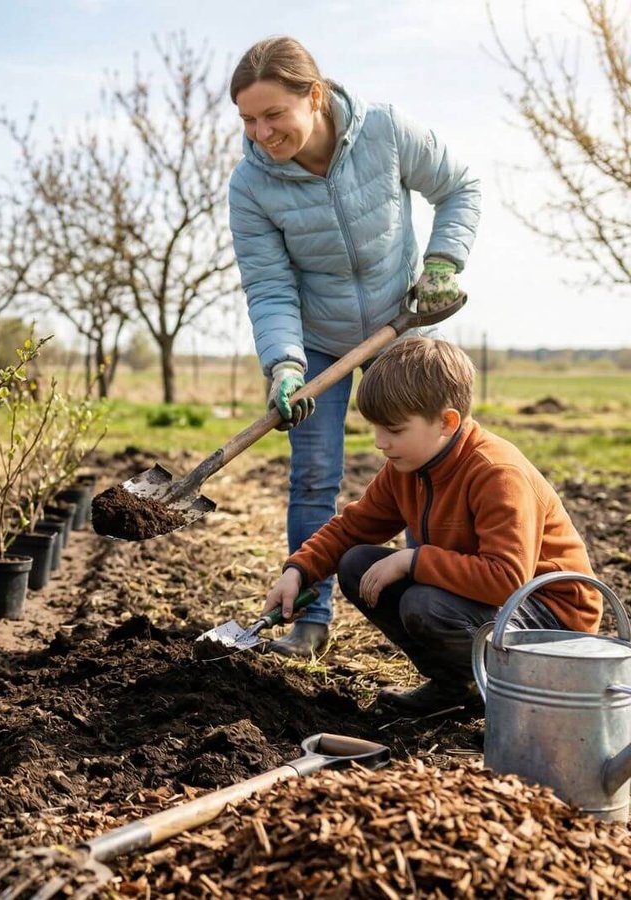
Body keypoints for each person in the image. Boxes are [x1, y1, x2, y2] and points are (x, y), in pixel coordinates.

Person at [228, 36, 482, 657]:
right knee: (314, 476)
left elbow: (460, 186)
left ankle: (456, 610)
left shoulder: (386, 132)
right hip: (316, 343)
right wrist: (285, 364)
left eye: (274, 114)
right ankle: (308, 621)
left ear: (314, 96)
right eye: (248, 120)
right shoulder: (251, 187)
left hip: (401, 323)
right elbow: (269, 285)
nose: (262, 132)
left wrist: (444, 262)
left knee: (438, 468)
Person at [262, 337, 600, 714]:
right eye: (376, 428)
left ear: (447, 421)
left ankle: (514, 697)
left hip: (551, 619)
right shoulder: (406, 468)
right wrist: (298, 570)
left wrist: (411, 561)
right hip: (489, 598)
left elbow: (507, 578)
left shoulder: (495, 473)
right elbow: (352, 528)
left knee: (425, 604)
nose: (379, 442)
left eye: (394, 429)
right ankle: (457, 687)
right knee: (357, 564)